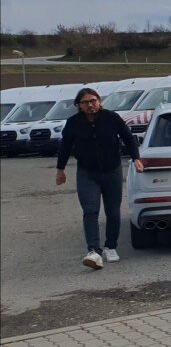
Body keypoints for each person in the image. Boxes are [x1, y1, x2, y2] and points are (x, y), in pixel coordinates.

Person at [54, 87, 144, 269]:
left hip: (112, 170)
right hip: (87, 173)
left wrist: (136, 159)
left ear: (99, 101)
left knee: (112, 211)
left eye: (93, 101)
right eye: (85, 102)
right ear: (79, 105)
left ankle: (111, 246)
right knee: (90, 210)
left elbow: (128, 138)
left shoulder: (112, 118)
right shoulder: (73, 123)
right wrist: (60, 169)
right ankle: (93, 251)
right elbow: (65, 146)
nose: (90, 105)